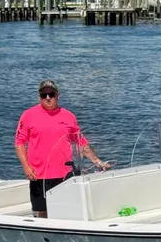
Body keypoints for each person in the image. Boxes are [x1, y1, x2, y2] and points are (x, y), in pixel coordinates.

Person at [15, 80, 110, 218]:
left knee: (67, 211)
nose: (48, 98)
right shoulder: (28, 115)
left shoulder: (69, 116)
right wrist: (26, 167)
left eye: (51, 94)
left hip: (65, 175)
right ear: (39, 97)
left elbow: (80, 142)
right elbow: (19, 143)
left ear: (57, 95)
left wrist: (98, 162)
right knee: (43, 212)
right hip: (39, 174)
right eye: (44, 95)